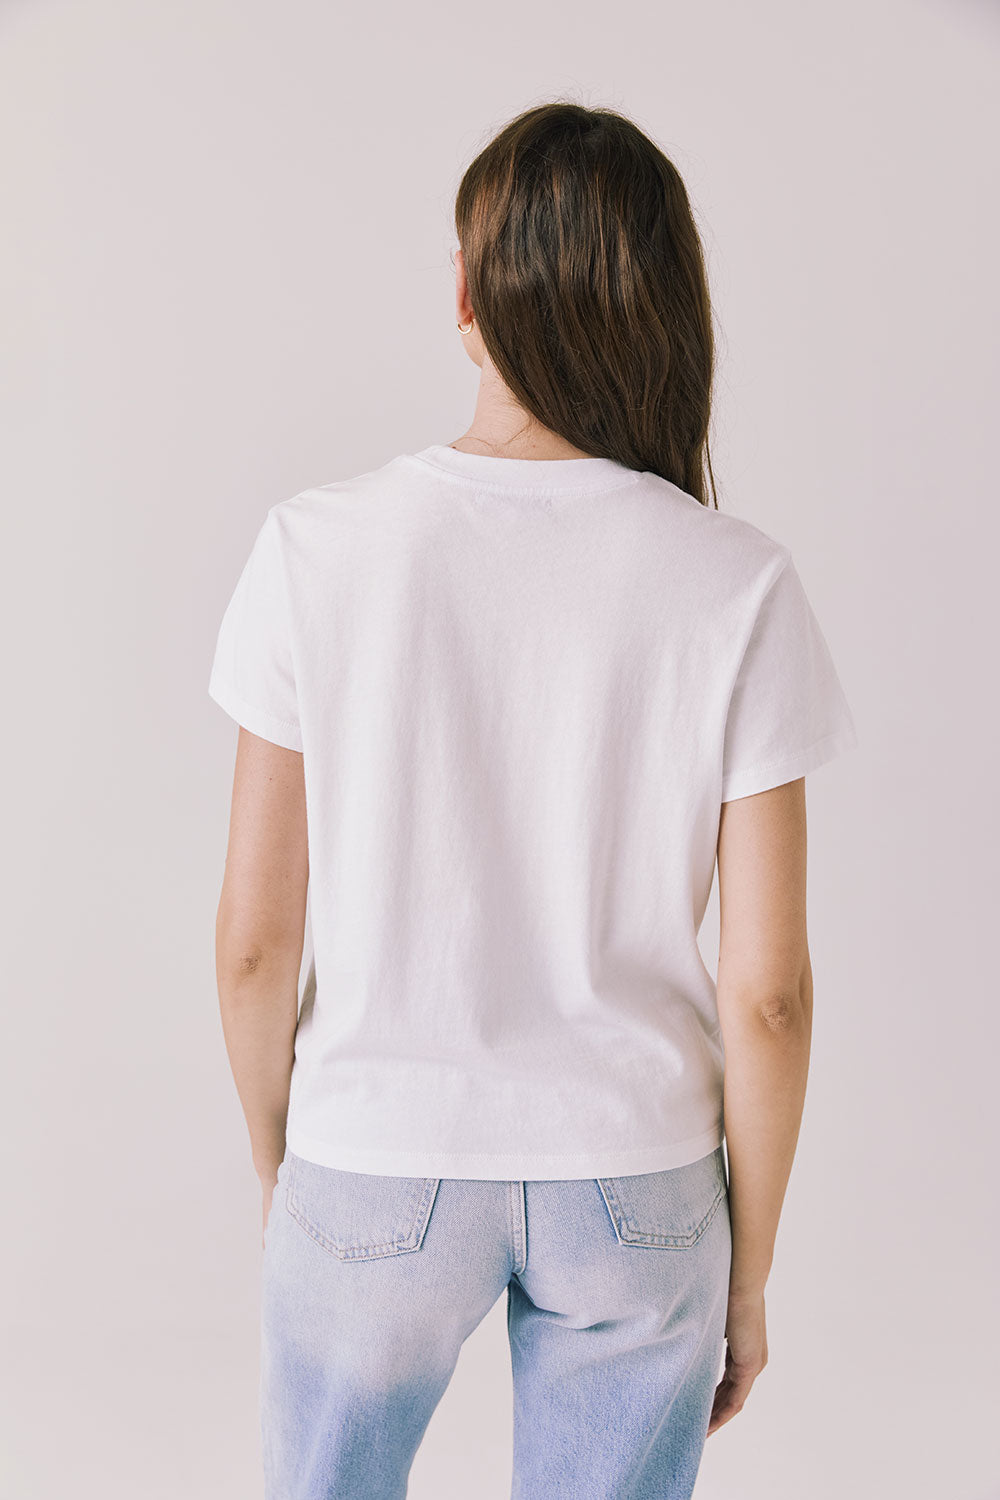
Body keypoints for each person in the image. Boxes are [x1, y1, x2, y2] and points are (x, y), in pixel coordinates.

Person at [208, 100, 858, 1500]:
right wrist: (749, 1272)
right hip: (635, 1178)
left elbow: (257, 938)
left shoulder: (315, 552)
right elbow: (771, 994)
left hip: (372, 1151)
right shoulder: (735, 582)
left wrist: (284, 1159)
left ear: (465, 295)